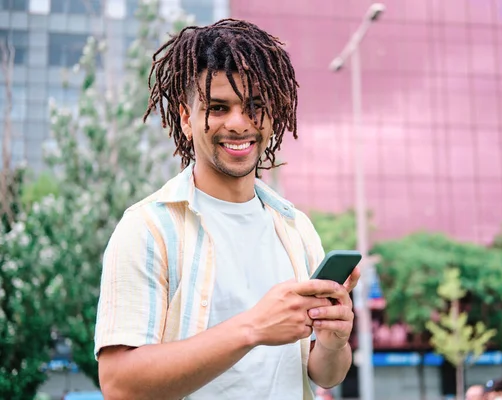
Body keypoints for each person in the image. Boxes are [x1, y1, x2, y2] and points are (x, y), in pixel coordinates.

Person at [93, 19, 360, 400]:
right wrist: (253, 327)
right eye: (218, 107)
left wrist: (334, 341)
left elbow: (325, 375)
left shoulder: (295, 227)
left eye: (255, 107)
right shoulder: (148, 228)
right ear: (186, 118)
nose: (239, 123)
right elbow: (120, 384)